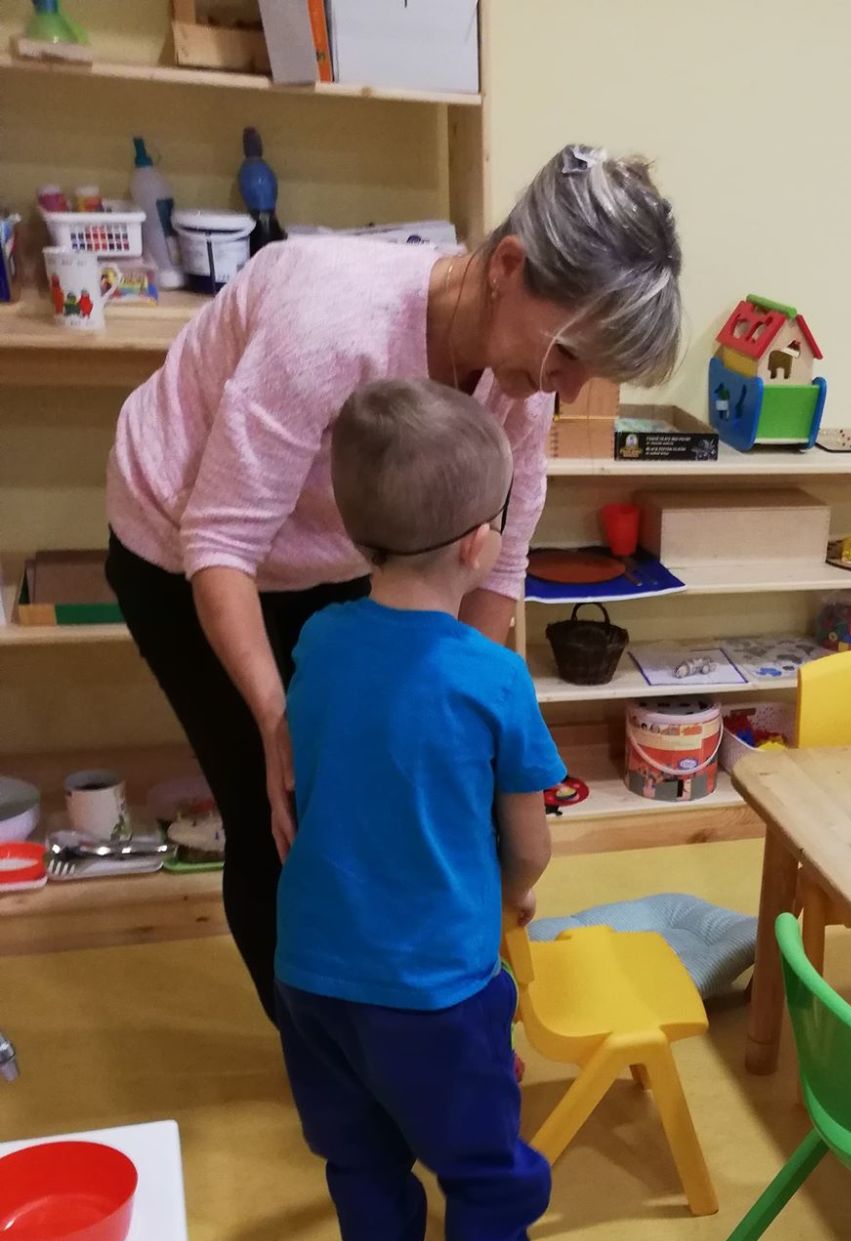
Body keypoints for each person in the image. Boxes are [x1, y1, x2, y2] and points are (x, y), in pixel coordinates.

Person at [105, 144, 681, 1018]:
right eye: (568, 355)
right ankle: (317, 1046)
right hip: (184, 544)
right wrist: (275, 720)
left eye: (591, 373)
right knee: (282, 805)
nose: (566, 390)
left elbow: (503, 567)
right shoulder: (331, 323)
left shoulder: (522, 389)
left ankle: (391, 1012)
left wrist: (461, 709)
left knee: (385, 781)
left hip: (342, 551)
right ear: (508, 266)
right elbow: (219, 539)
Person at [274, 377, 576, 1241]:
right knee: (487, 1167)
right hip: (436, 990)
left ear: (353, 529)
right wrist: (517, 895)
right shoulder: (490, 674)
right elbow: (528, 845)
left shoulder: (319, 641)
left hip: (311, 973)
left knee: (358, 1151)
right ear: (481, 545)